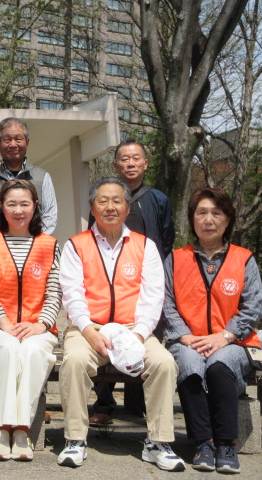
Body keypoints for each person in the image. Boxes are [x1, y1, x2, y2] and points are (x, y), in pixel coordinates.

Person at [58, 177, 184, 471]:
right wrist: (89, 332)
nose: (110, 207)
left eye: (117, 201)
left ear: (128, 209)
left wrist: (138, 336)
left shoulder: (145, 246)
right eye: (103, 201)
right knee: (74, 361)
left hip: (133, 329)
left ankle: (159, 442)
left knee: (164, 363)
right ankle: (76, 439)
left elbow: (153, 297)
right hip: (89, 328)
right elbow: (72, 294)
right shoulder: (76, 245)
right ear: (92, 206)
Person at [163, 188, 262, 474]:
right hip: (188, 340)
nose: (208, 220)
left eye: (216, 213)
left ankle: (226, 443)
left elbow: (252, 306)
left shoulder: (244, 259)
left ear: (228, 220)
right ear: (192, 219)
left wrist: (225, 336)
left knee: (220, 366)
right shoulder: (176, 258)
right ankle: (203, 443)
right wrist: (183, 336)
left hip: (234, 341)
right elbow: (166, 304)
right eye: (201, 213)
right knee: (189, 366)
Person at [0, 117, 58, 422]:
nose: (13, 143)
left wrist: (34, 245)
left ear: (27, 143)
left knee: (31, 335)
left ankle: (32, 399)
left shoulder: (42, 175)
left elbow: (51, 217)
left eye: (19, 138)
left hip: (32, 254)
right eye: (7, 138)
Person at [88, 138, 175, 426]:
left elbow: (166, 239)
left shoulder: (158, 199)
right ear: (116, 165)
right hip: (110, 283)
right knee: (107, 336)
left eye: (136, 158)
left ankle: (138, 403)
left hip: (145, 281)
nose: (130, 163)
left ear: (145, 163)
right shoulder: (105, 197)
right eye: (124, 158)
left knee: (145, 337)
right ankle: (104, 404)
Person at [0, 180, 61, 461]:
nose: (18, 210)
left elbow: (55, 291)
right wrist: (6, 326)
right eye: (12, 203)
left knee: (34, 351)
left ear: (35, 206)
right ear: (2, 207)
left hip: (38, 327)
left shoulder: (49, 245)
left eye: (25, 203)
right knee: (8, 349)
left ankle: (22, 429)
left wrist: (40, 325)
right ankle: (1, 429)